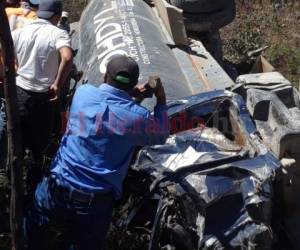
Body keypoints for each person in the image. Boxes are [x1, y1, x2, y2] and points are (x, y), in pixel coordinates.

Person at [26, 55, 169, 250]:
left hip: (56, 186)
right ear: (134, 83)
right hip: (94, 203)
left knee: (33, 235)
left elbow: (110, 106)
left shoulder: (83, 94)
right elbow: (161, 133)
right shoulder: (139, 119)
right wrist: (160, 99)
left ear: (104, 77)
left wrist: (131, 94)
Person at [12, 0, 73, 189]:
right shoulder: (57, 33)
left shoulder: (19, 31)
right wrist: (57, 83)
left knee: (17, 139)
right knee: (40, 146)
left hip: (19, 92)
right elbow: (67, 56)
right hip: (43, 97)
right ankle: (33, 186)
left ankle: (13, 180)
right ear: (56, 16)